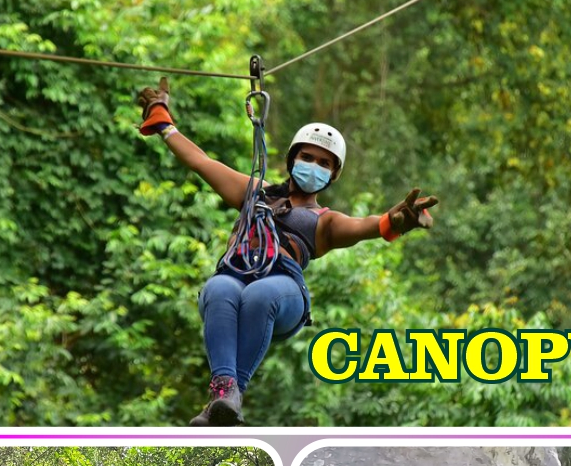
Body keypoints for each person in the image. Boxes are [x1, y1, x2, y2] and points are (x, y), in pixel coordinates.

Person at [137, 80, 437, 426]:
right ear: (292, 159)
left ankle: (233, 396)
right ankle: (222, 397)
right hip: (236, 277)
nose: (313, 165)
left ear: (333, 174)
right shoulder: (255, 193)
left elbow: (367, 225)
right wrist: (162, 123)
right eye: (307, 157)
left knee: (260, 292)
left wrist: (395, 221)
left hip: (283, 296)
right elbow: (201, 162)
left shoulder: (326, 222)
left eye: (323, 162)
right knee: (219, 288)